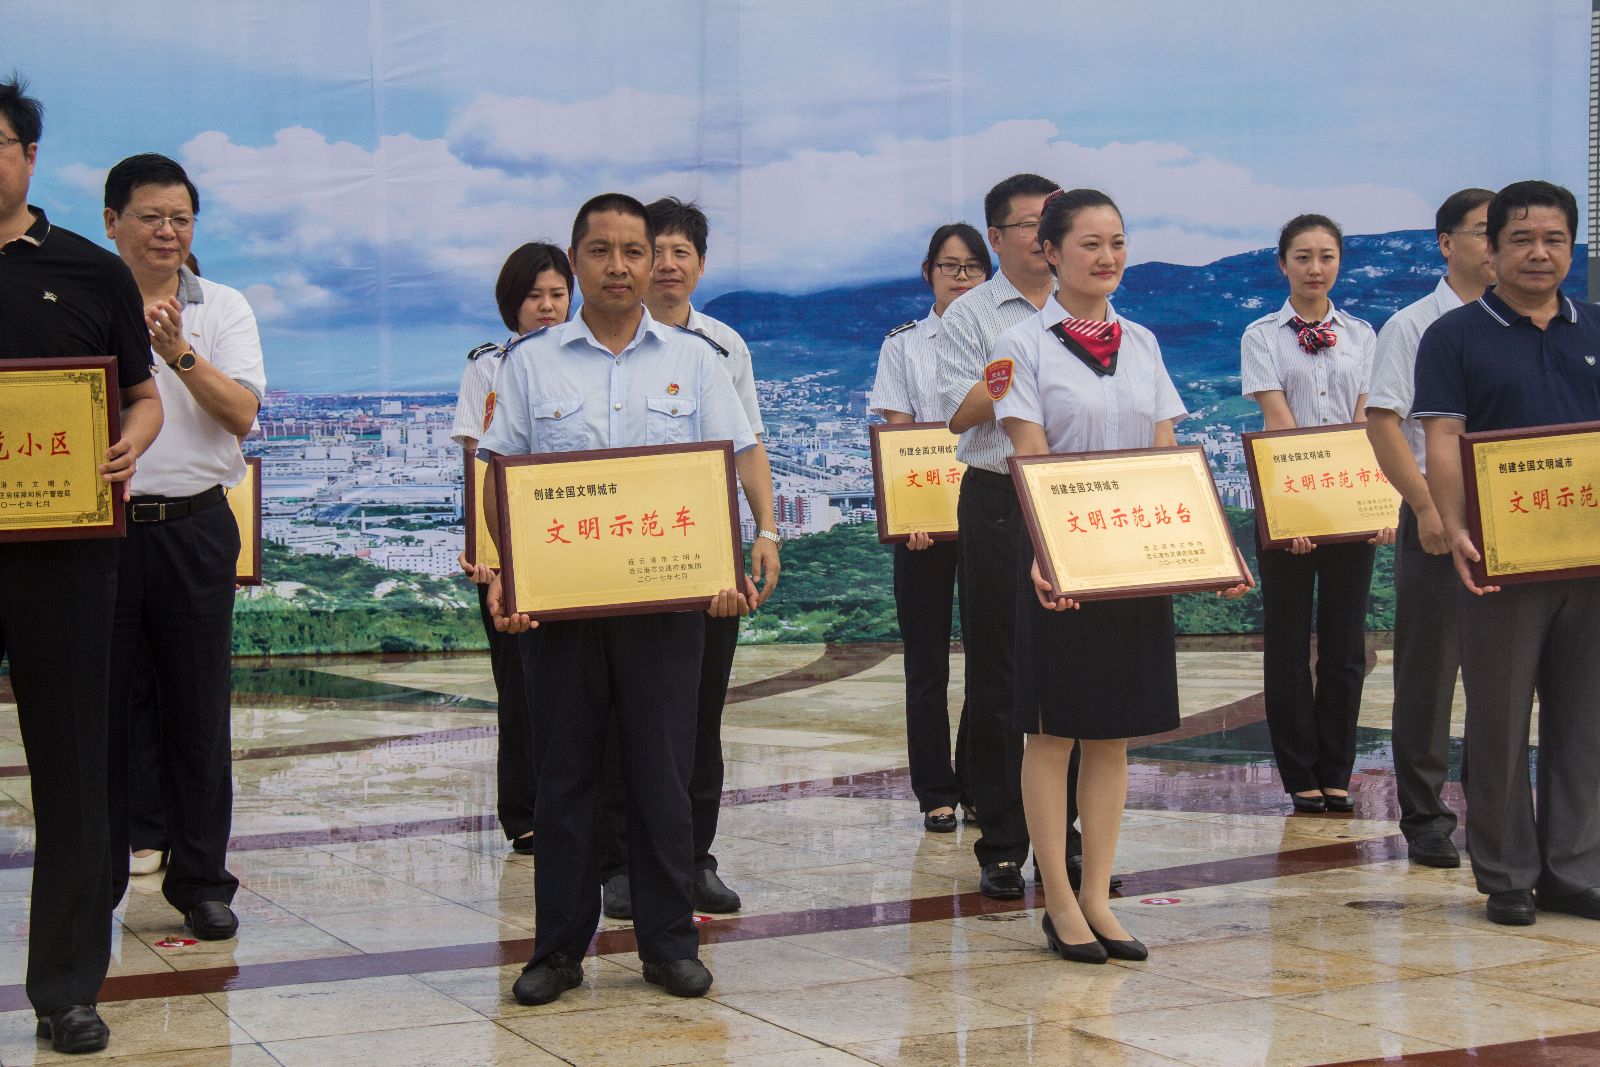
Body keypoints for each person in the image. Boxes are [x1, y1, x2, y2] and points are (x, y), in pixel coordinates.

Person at [479, 193, 759, 1005]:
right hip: (563, 608)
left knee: (662, 773)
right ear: (576, 261)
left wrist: (736, 558)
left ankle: (669, 944)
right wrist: (507, 573)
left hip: (666, 606)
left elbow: (729, 460)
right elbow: (501, 472)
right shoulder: (530, 362)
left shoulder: (696, 360)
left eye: (634, 251)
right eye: (600, 251)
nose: (620, 266)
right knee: (564, 775)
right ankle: (557, 949)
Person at [995, 189, 1250, 963]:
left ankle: (1099, 896)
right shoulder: (1020, 345)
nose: (1106, 257)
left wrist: (1212, 547)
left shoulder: (1141, 341)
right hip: (1059, 557)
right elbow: (1029, 454)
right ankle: (1058, 898)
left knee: (1112, 734)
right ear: (1050, 252)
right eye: (1089, 243)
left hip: (1133, 555)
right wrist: (1046, 553)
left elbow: (1167, 455)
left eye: (1117, 242)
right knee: (1053, 732)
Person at [0, 76, 164, 1055]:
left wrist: (128, 443)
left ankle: (67, 989)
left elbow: (141, 396)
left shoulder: (90, 272)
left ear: (28, 155)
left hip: (63, 554)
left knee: (72, 770)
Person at [1415, 179, 1600, 927]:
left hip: (1589, 556)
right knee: (1497, 717)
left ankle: (1574, 869)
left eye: (1554, 239)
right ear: (1491, 249)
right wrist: (1454, 526)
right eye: (1521, 239)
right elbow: (1443, 438)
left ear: (1572, 248)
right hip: (1500, 559)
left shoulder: (1594, 327)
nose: (1538, 253)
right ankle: (1508, 874)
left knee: (1585, 718)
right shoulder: (1454, 336)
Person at [597, 197, 779, 919]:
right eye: (657, 251)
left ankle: (693, 856)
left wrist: (766, 530)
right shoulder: (604, 339)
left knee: (700, 710)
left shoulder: (723, 347)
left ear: (701, 265)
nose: (668, 265)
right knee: (619, 712)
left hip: (701, 547)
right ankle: (619, 862)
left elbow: (748, 443)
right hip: (617, 546)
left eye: (682, 253)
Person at [938, 172, 1119, 900]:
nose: (1046, 236)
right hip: (1000, 498)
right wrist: (1016, 365)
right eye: (1031, 225)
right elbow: (955, 414)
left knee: (1073, 671)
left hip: (1079, 499)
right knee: (998, 673)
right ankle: (1003, 841)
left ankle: (1065, 836)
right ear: (999, 237)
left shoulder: (1098, 314)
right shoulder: (974, 314)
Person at [102, 153, 265, 942]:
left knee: (198, 709)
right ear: (112, 222)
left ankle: (201, 880)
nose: (167, 231)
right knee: (104, 706)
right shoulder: (87, 300)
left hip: (196, 526)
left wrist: (179, 354)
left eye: (181, 218)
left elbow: (242, 414)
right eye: (151, 216)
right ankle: (101, 872)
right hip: (102, 530)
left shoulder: (223, 306)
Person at [1241, 213, 1388, 815]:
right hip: (1289, 504)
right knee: (1286, 640)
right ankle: (1299, 772)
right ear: (1283, 264)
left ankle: (1337, 771)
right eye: (1302, 257)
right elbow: (1279, 424)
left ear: (1339, 263)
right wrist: (1294, 514)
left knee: (1345, 644)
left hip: (1349, 499)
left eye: (1326, 256)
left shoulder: (1363, 334)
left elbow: (1366, 424)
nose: (1315, 268)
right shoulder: (1261, 335)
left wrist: (1374, 503)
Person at [1365, 188, 1495, 867]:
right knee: (1429, 672)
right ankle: (1426, 816)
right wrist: (1424, 507)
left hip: (1509, 515)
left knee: (1504, 670)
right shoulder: (1412, 325)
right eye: (1484, 231)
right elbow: (1383, 422)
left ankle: (1496, 811)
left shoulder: (1516, 323)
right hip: (1438, 515)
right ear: (1446, 242)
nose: (1496, 245)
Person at [452, 241, 572, 856]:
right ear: (511, 303)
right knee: (519, 682)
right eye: (534, 296)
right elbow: (476, 459)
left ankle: (584, 805)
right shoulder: (488, 367)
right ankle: (524, 810)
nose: (547, 307)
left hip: (578, 537)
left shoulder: (588, 359)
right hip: (508, 544)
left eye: (557, 294)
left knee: (583, 679)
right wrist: (484, 548)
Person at [870, 222, 991, 832]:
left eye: (973, 267)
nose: (961, 277)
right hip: (924, 525)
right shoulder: (903, 345)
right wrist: (911, 514)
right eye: (950, 266)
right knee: (926, 662)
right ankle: (934, 789)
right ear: (929, 273)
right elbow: (900, 433)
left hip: (988, 515)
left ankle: (979, 781)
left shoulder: (1008, 340)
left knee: (989, 659)